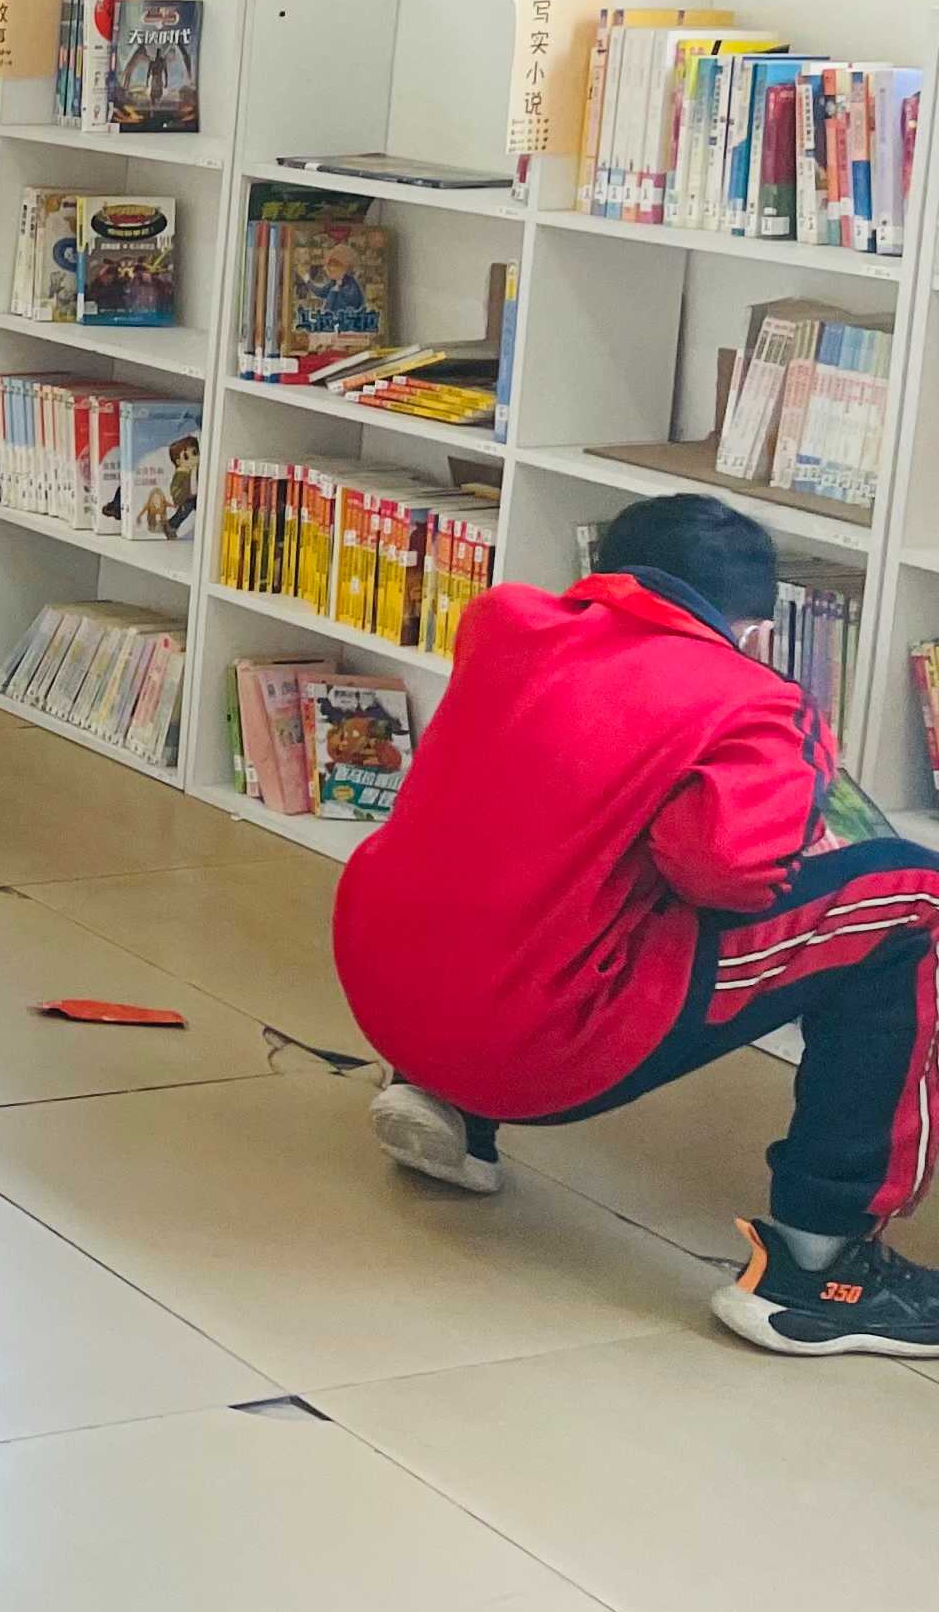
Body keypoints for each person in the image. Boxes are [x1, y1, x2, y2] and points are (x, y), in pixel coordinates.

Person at [333, 494, 939, 1358]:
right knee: (914, 895)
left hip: (387, 993)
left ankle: (443, 1098)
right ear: (756, 631)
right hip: (533, 1045)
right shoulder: (754, 698)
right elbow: (727, 875)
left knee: (533, 842)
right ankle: (823, 1266)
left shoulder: (502, 623)